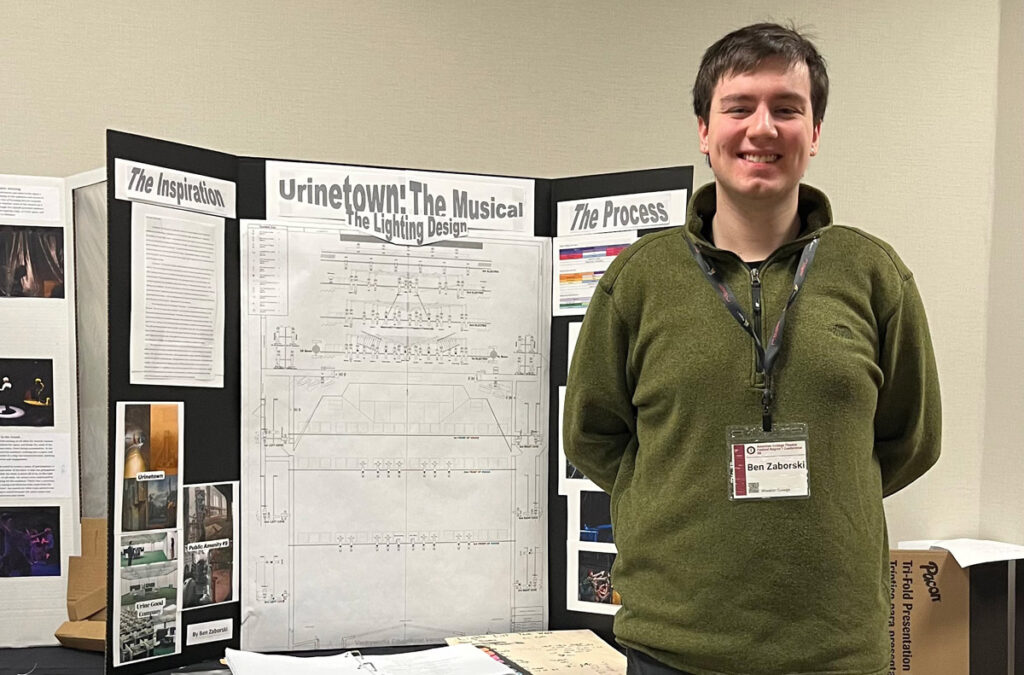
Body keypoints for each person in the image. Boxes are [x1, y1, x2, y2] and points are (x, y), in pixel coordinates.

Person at [563, 23, 940, 675]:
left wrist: (832, 490)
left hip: (835, 649)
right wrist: (666, 500)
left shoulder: (875, 274)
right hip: (673, 647)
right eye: (739, 107)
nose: (761, 128)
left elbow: (910, 439)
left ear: (814, 133)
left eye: (786, 108)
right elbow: (593, 434)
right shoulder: (640, 279)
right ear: (704, 131)